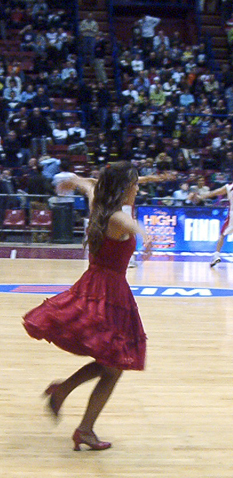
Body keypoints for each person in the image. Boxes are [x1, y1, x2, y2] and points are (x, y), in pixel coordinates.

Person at [23, 162, 153, 451]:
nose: (138, 188)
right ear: (124, 188)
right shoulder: (118, 218)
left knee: (111, 364)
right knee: (114, 364)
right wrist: (146, 234)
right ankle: (81, 423)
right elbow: (130, 224)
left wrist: (76, 180)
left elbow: (91, 186)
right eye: (135, 184)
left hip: (97, 286)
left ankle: (68, 402)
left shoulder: (99, 206)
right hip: (108, 292)